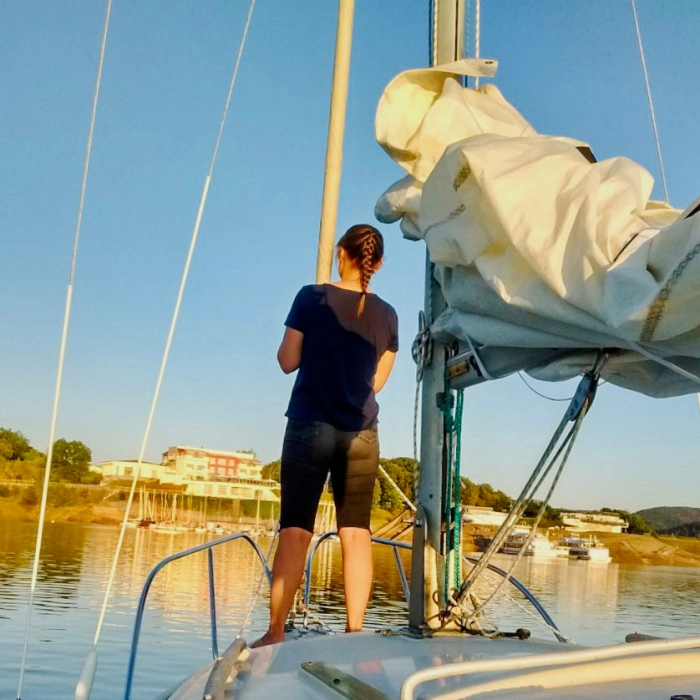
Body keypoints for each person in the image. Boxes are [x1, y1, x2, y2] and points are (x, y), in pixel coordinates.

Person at [252, 223, 398, 648]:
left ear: (341, 253)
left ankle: (276, 632)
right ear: (379, 264)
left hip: (309, 425)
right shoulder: (388, 315)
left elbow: (286, 360)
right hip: (362, 434)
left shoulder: (311, 297)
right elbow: (377, 383)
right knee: (357, 533)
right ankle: (354, 632)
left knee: (296, 529)